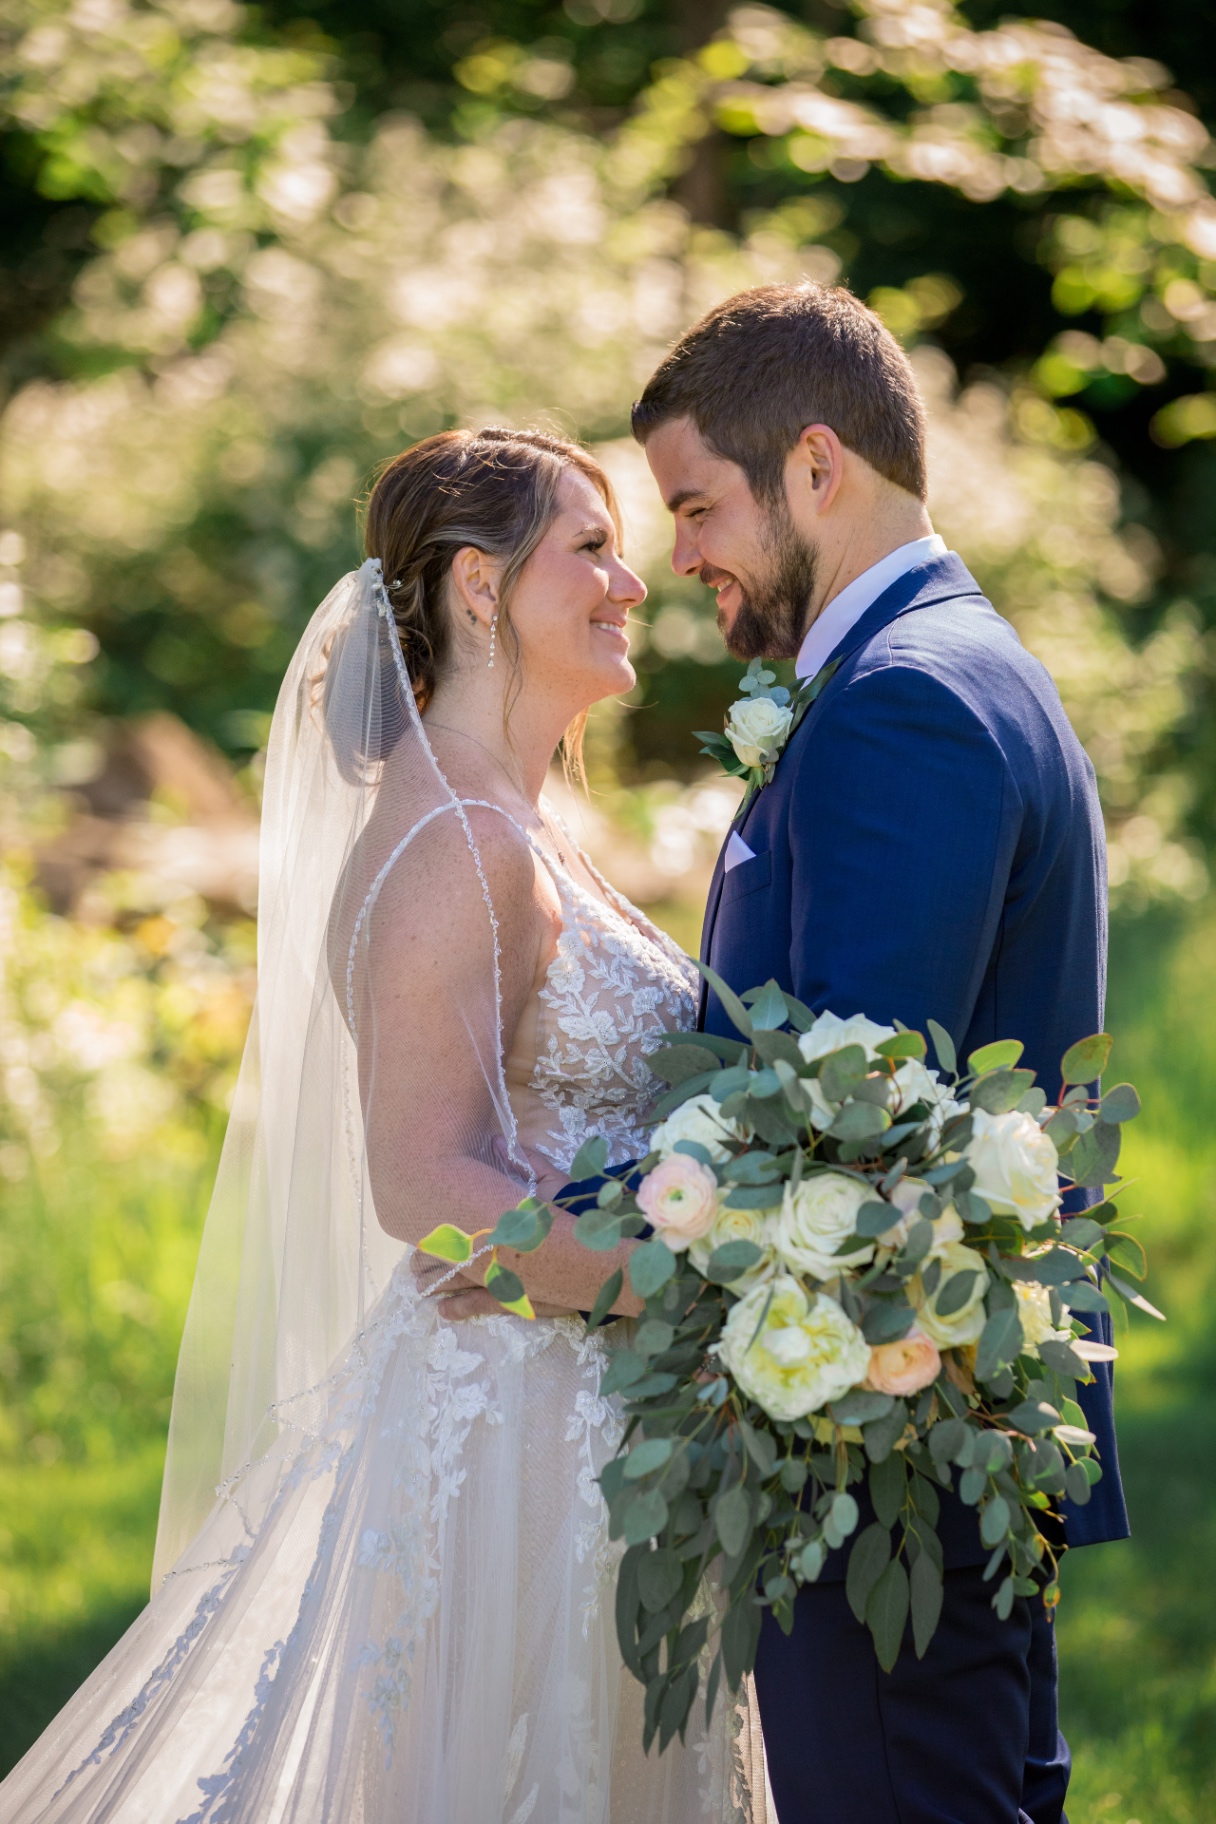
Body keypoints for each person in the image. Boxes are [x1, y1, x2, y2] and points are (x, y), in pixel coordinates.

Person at [0, 429, 770, 1823]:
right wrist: (707, 1286)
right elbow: (424, 1179)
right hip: (533, 1427)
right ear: (480, 588)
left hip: (587, 1401)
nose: (630, 582)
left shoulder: (513, 824)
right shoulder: (458, 844)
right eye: (589, 548)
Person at [632, 281, 1129, 1824]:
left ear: (819, 466)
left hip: (877, 1454)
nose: (682, 555)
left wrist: (560, 1238)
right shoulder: (945, 665)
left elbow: (832, 1123)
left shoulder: (900, 703)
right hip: (948, 1425)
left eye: (699, 503)